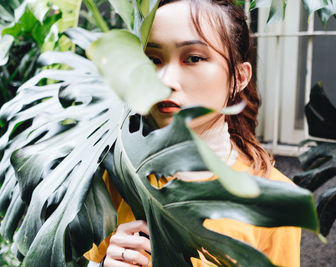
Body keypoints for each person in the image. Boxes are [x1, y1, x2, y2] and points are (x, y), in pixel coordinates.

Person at [84, 0, 301, 266]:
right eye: (153, 59)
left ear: (239, 78)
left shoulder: (275, 200)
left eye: (193, 58)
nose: (165, 80)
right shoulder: (117, 172)